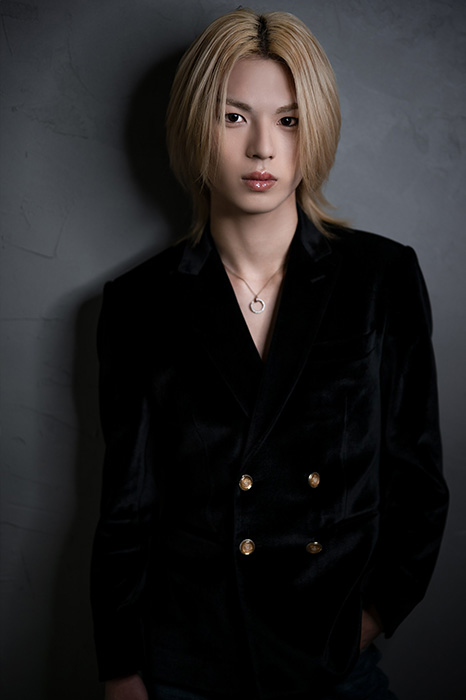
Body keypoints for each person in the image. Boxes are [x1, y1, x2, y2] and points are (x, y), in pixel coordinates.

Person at [90, 8, 449, 700]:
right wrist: (121, 671)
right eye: (234, 117)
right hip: (187, 664)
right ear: (195, 127)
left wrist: (371, 617)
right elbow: (127, 509)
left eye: (288, 120)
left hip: (333, 663)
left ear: (316, 130)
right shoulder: (141, 302)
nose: (262, 148)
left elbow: (418, 478)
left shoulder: (380, 279)